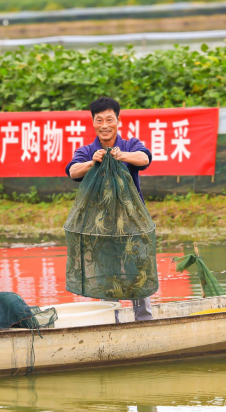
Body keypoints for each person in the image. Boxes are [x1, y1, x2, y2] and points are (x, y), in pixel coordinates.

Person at [65, 96, 154, 321]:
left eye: (109, 119)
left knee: (139, 270)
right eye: (99, 120)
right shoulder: (87, 150)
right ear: (93, 123)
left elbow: (144, 159)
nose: (105, 125)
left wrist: (121, 155)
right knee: (107, 272)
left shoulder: (130, 145)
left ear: (118, 120)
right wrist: (92, 162)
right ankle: (109, 321)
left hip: (132, 221)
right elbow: (72, 171)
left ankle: (144, 320)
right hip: (101, 225)